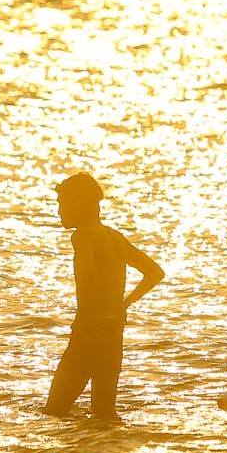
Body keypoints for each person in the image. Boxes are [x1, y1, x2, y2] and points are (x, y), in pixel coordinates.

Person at [45, 172, 164, 420]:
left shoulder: (82, 237)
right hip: (113, 330)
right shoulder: (113, 236)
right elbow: (154, 273)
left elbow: (89, 272)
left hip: (89, 331)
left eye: (63, 204)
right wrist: (123, 304)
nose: (59, 212)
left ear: (80, 205)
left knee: (54, 411)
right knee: (104, 414)